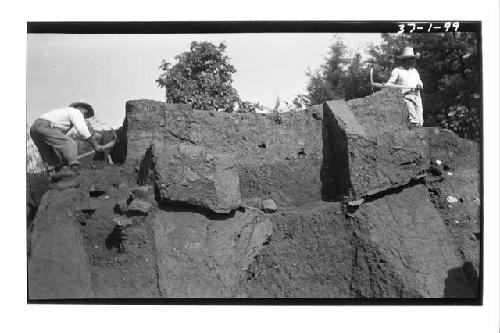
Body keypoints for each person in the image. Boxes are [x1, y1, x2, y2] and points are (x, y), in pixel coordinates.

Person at [30, 102, 104, 179]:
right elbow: (82, 130)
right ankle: (75, 170)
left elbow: (59, 141)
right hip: (45, 126)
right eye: (85, 114)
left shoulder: (63, 114)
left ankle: (54, 175)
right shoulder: (76, 112)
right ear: (80, 107)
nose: (84, 117)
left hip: (34, 129)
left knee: (50, 155)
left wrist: (64, 158)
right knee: (70, 143)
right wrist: (96, 145)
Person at [385, 47, 424, 128]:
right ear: (405, 60)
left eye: (413, 59)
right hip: (405, 97)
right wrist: (385, 85)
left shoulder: (415, 71)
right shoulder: (397, 70)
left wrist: (420, 86)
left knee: (420, 122)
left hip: (417, 96)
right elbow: (389, 84)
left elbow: (420, 83)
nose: (413, 61)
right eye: (411, 59)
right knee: (414, 120)